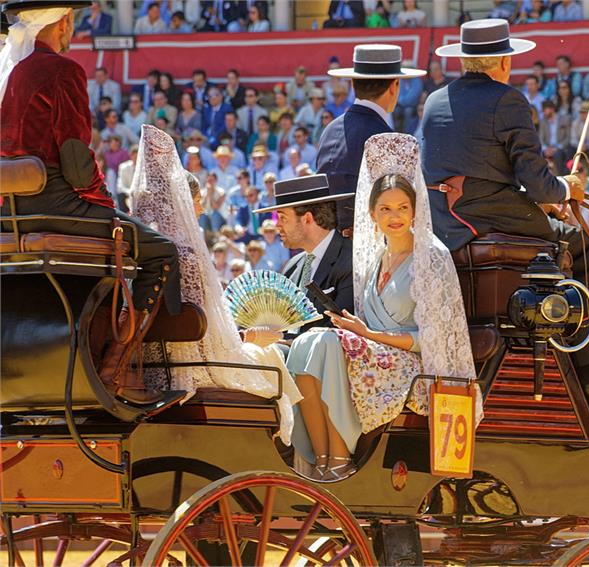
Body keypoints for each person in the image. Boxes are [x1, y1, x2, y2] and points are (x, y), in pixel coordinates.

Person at [422, 19, 589, 404]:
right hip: (487, 215)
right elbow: (538, 184)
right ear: (503, 62)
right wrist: (565, 189)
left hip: (442, 220)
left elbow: (480, 167)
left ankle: (584, 337)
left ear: (464, 62)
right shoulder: (507, 101)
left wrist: (546, 194)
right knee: (578, 242)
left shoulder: (435, 101)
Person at [0, 1, 180, 405]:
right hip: (57, 208)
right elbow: (78, 166)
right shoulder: (62, 70)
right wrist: (108, 203)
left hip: (11, 215)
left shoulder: (11, 72)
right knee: (161, 252)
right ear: (62, 22)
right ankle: (114, 371)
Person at [285, 134, 479, 480]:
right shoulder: (373, 258)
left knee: (326, 343)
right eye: (386, 209)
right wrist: (356, 329)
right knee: (305, 343)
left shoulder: (432, 258)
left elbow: (429, 340)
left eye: (403, 208)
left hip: (412, 368)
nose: (395, 217)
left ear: (415, 210)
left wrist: (371, 334)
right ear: (372, 213)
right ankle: (323, 456)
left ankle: (342, 454)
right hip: (373, 352)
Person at [131, 126, 301, 442]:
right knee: (277, 356)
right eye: (196, 204)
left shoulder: (137, 248)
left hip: (150, 366)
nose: (200, 211)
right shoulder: (187, 254)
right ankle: (292, 450)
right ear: (184, 201)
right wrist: (244, 340)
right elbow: (202, 326)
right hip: (193, 367)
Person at [317, 44, 425, 233]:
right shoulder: (387, 139)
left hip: (329, 246)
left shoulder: (329, 130)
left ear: (353, 83)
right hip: (369, 249)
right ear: (394, 86)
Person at [256, 174, 354, 332]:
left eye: (282, 217)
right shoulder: (293, 265)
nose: (277, 225)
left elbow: (341, 331)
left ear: (307, 219)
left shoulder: (349, 261)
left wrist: (282, 342)